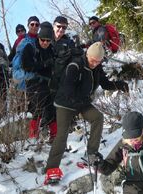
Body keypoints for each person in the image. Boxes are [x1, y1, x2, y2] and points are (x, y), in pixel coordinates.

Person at [44, 42, 129, 185]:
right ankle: (51, 169)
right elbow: (67, 89)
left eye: (98, 61)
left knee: (97, 117)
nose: (94, 63)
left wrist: (120, 85)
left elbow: (105, 84)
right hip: (65, 103)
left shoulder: (97, 67)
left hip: (82, 102)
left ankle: (91, 154)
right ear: (87, 54)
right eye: (93, 60)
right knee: (62, 134)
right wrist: (78, 106)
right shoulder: (75, 66)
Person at [22, 22, 56, 143]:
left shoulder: (52, 49)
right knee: (37, 109)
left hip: (48, 83)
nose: (45, 43)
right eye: (43, 40)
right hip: (34, 83)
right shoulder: (30, 47)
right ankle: (32, 138)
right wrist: (44, 64)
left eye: (48, 40)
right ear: (39, 37)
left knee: (51, 109)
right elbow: (26, 66)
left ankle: (54, 137)